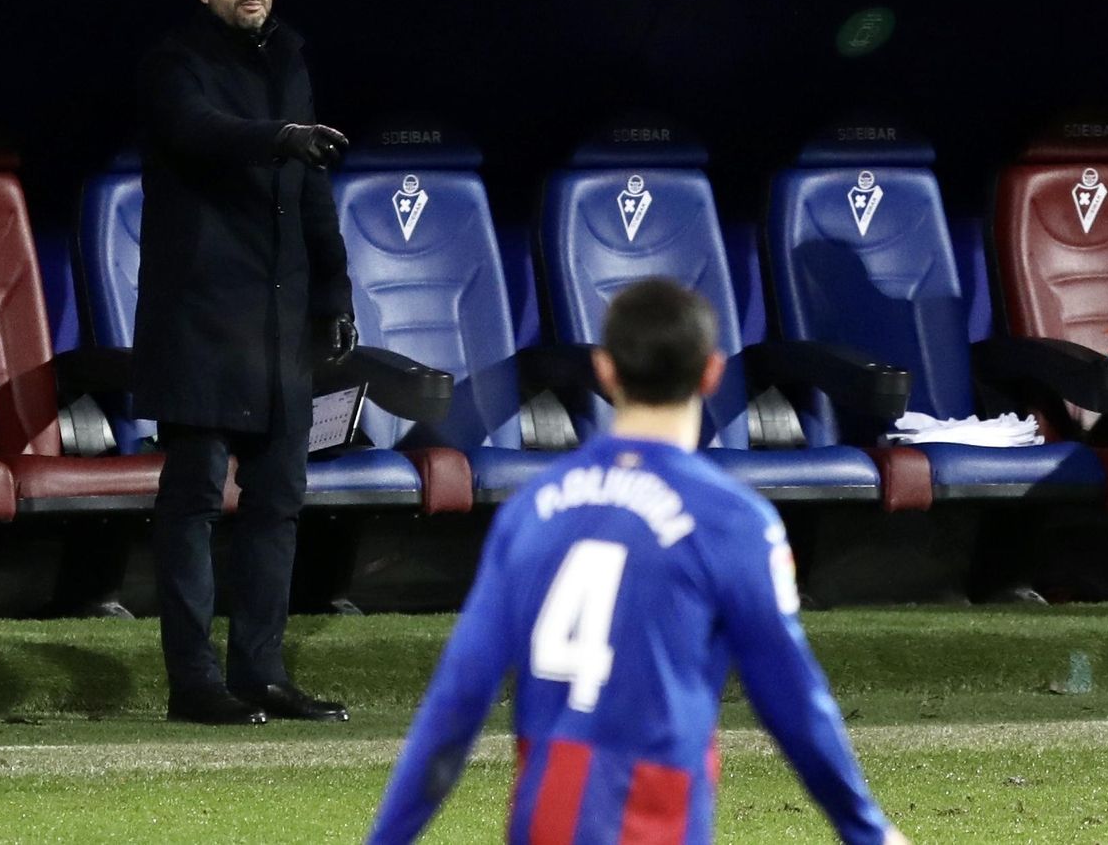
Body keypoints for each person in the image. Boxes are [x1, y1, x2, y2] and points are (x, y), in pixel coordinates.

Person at [367, 280, 907, 844]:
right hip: (653, 820)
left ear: (604, 371)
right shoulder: (731, 520)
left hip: (541, 821)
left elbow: (457, 700)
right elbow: (793, 699)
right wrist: (868, 831)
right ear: (711, 374)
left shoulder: (532, 509)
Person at [132, 0, 356, 724]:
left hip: (280, 318)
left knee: (277, 500)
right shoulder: (175, 60)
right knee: (193, 499)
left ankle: (260, 672)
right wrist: (280, 137)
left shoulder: (291, 55)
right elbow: (198, 131)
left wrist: (333, 289)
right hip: (201, 315)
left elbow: (311, 185)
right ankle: (194, 681)